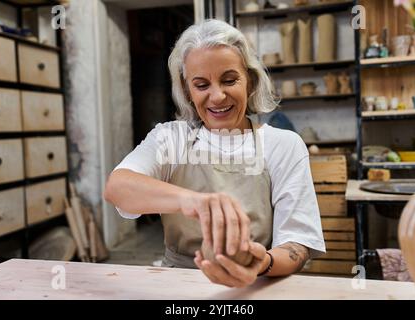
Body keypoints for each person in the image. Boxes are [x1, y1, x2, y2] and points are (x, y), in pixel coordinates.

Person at [104, 19, 325, 288]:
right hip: (179, 283)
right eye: (201, 85)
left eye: (229, 80)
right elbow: (118, 187)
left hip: (255, 283)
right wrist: (193, 202)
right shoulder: (171, 138)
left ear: (250, 82)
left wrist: (261, 262)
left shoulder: (283, 145)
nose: (217, 96)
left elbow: (297, 244)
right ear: (187, 90)